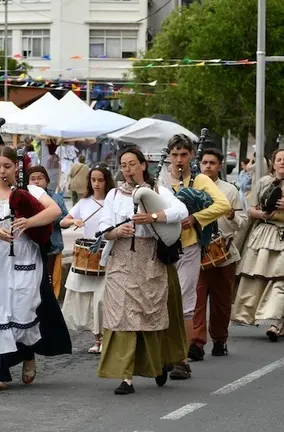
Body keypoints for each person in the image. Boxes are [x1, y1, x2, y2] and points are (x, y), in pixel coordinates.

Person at [0, 146, 71, 392]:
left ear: (16, 167)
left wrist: (29, 221)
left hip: (23, 258)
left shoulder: (31, 191)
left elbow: (54, 211)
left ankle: (28, 354)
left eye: (7, 166)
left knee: (22, 310)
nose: (2, 171)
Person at [97, 148, 188, 395]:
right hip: (121, 259)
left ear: (143, 165)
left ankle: (158, 364)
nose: (128, 169)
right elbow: (104, 226)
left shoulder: (158, 190)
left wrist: (154, 217)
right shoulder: (114, 194)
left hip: (149, 259)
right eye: (123, 165)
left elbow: (181, 211)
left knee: (148, 314)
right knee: (122, 315)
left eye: (132, 164)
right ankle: (126, 377)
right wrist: (117, 231)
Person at [161, 135, 230, 379]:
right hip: (161, 248)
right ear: (169, 156)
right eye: (175, 155)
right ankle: (161, 355)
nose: (179, 160)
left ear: (191, 155)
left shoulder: (200, 179)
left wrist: (196, 218)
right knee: (160, 302)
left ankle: (181, 360)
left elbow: (223, 205)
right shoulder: (160, 180)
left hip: (188, 247)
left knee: (185, 303)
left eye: (184, 154)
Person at [231, 148, 284, 341]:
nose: (282, 162)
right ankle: (283, 322)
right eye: (279, 159)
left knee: (282, 280)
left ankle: (275, 323)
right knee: (260, 280)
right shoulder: (263, 182)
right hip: (264, 236)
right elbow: (251, 209)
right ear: (273, 163)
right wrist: (263, 214)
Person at [189, 149, 247, 360]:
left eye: (212, 163)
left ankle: (220, 340)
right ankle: (196, 343)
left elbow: (242, 223)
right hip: (198, 253)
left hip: (224, 254)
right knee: (196, 301)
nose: (208, 166)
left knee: (221, 302)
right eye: (204, 162)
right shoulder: (192, 187)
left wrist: (231, 215)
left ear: (220, 165)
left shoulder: (230, 191)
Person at [60, 163, 114, 353]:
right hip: (87, 254)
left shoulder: (112, 201)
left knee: (102, 300)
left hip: (108, 253)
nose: (96, 184)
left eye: (100, 180)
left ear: (106, 181)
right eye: (93, 180)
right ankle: (97, 339)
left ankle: (106, 338)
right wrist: (73, 220)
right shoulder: (84, 202)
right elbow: (63, 222)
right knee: (88, 300)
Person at [27, 166, 68, 299]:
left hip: (52, 246)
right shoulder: (25, 197)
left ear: (47, 181)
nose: (36, 182)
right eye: (32, 179)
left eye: (40, 178)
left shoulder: (56, 198)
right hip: (30, 247)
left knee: (50, 282)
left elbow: (64, 218)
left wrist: (49, 218)